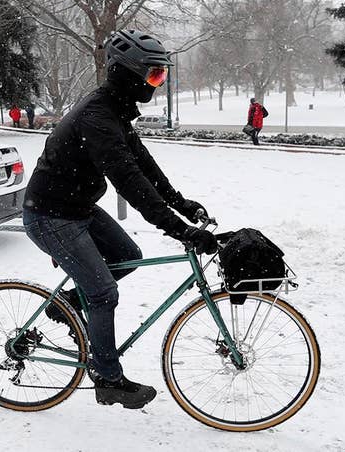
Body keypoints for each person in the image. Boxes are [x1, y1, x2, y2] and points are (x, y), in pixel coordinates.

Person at [22, 29, 217, 410]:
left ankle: (65, 302)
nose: (157, 84)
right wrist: (181, 231)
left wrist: (182, 204)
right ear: (129, 72)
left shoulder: (115, 108)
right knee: (103, 292)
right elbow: (129, 183)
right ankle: (108, 380)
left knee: (128, 253)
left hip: (77, 207)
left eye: (162, 76)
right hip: (49, 215)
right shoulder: (98, 116)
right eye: (154, 75)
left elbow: (142, 164)